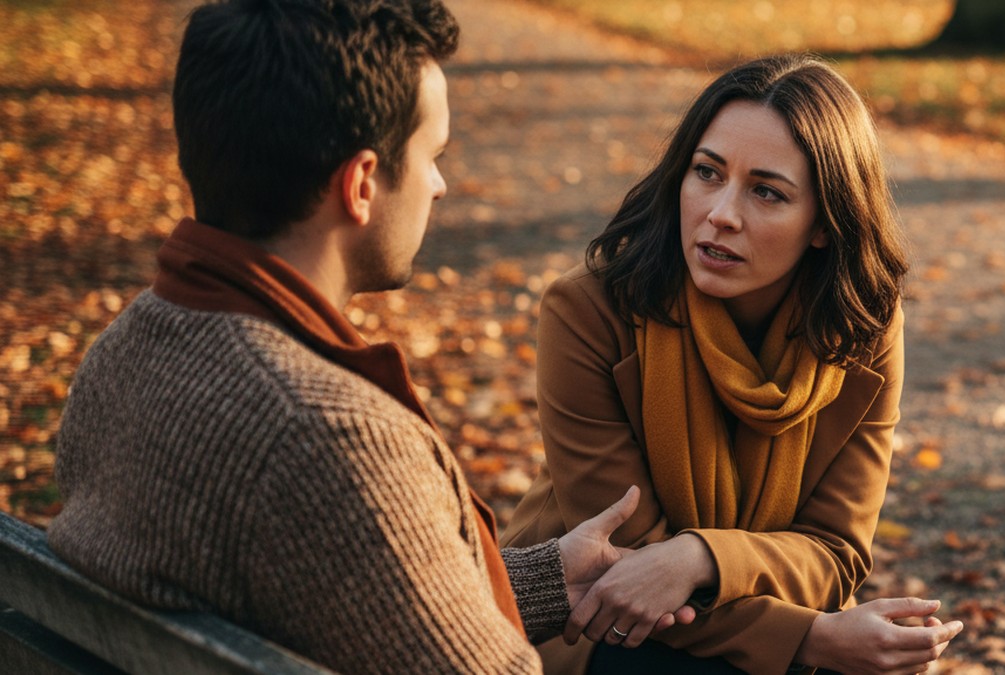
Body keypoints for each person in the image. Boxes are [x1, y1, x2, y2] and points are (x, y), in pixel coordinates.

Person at [46, 1, 690, 673]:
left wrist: (545, 578)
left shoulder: (124, 351)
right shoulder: (331, 435)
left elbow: (317, 590)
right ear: (359, 184)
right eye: (431, 156)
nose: (439, 186)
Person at [502, 54, 964, 674]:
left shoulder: (861, 328)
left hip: (755, 607)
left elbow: (835, 551)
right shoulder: (589, 309)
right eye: (707, 173)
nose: (722, 212)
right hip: (593, 629)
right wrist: (812, 640)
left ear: (825, 223)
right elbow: (626, 571)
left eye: (766, 191)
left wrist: (701, 558)